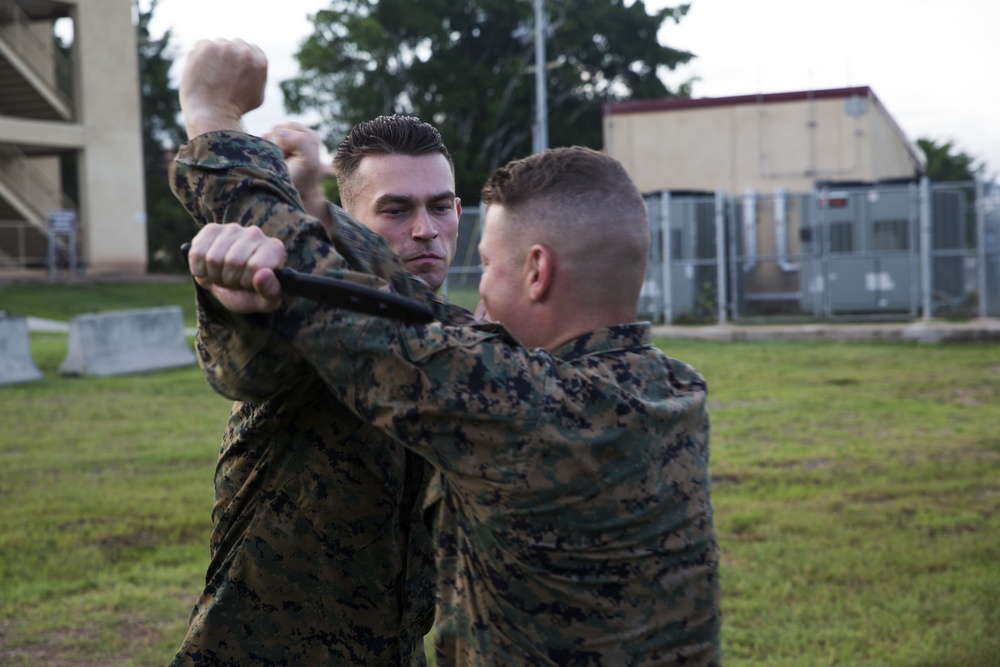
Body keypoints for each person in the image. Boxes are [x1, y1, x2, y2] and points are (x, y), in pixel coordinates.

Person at [173, 40, 722, 666]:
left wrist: (210, 115)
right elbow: (360, 331)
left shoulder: (513, 393)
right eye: (395, 211)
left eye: (487, 262)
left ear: (537, 271)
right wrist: (309, 234)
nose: (429, 233)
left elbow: (392, 331)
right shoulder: (672, 388)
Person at [169, 38, 472, 666]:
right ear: (345, 222)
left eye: (440, 206)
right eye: (395, 210)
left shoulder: (451, 336)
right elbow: (250, 363)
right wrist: (211, 118)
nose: (425, 230)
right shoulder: (312, 316)